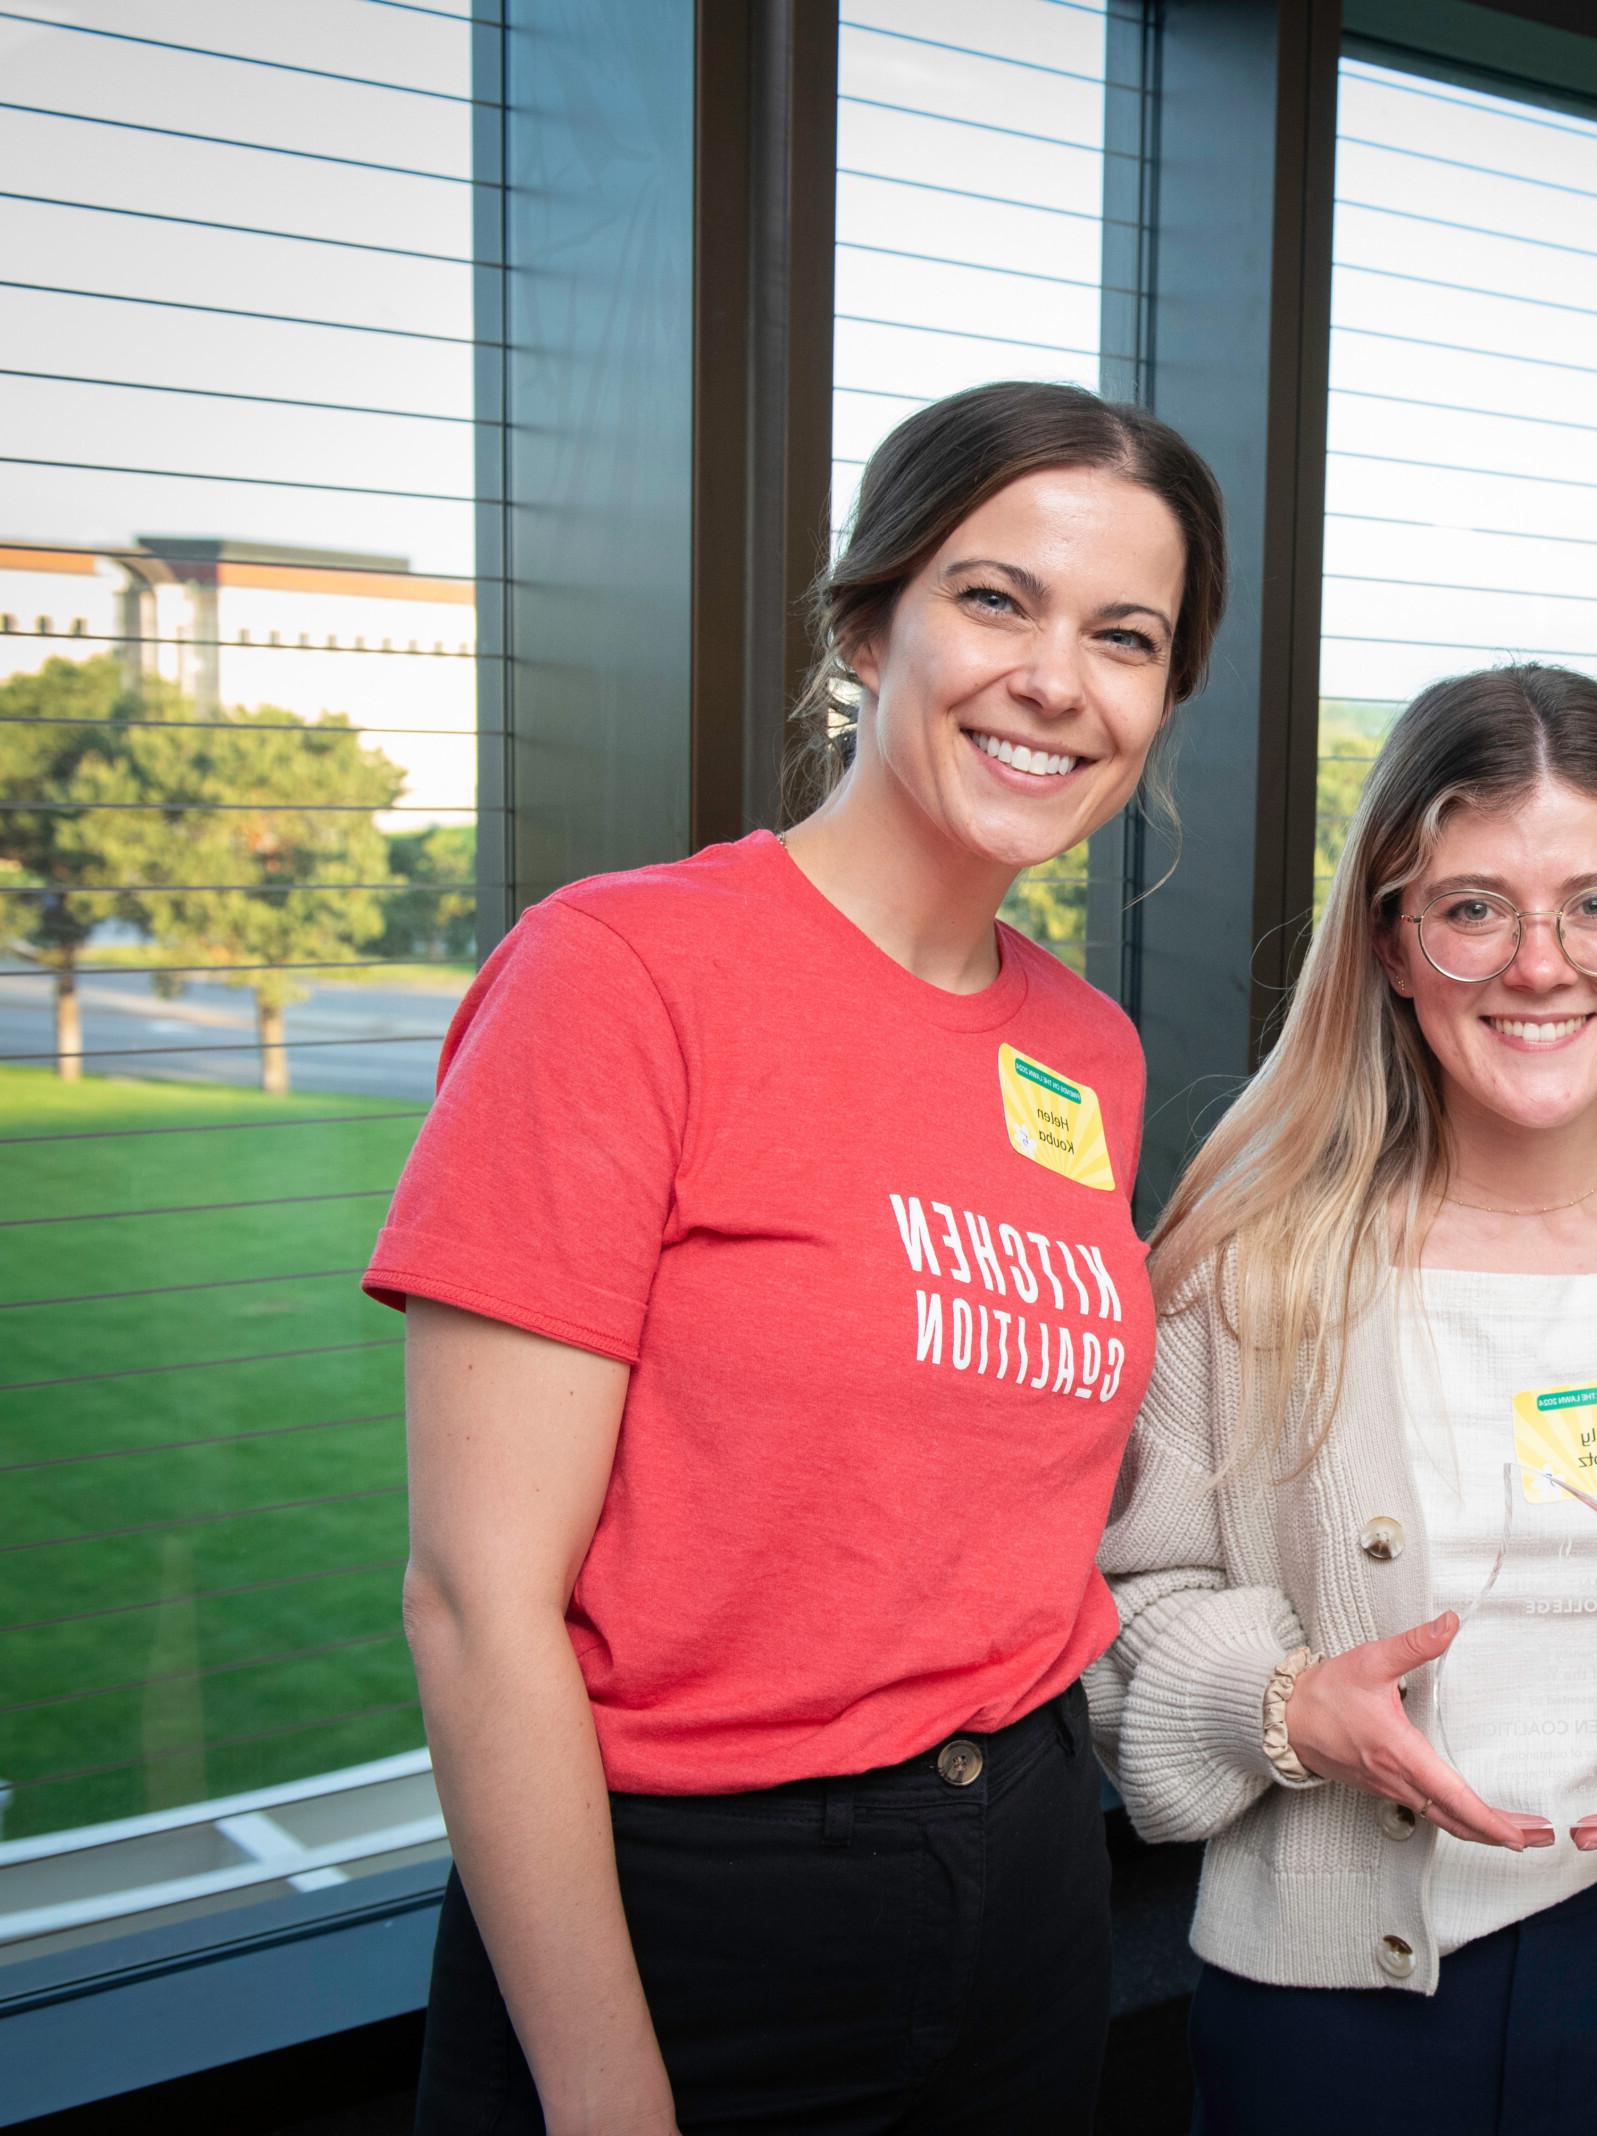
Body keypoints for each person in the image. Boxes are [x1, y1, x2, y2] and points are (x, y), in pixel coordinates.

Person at [371, 380, 1226, 2133]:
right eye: (997, 598)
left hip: (1030, 1886)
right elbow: (475, 1605)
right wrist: (610, 2098)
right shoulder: (620, 977)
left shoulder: (1089, 1053)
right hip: (691, 1917)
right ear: (865, 624)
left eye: (1125, 636)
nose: (1059, 678)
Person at [1089, 664, 1597, 2136]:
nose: (1542, 964)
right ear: (1393, 942)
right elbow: (1125, 1604)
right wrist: (1283, 1705)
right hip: (1322, 2012)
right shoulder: (1243, 1267)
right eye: (1472, 908)